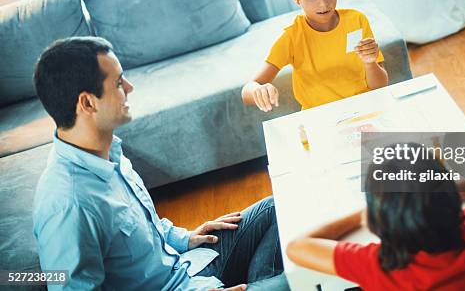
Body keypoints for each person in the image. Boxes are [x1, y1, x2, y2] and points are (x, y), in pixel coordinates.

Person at [32, 37, 289, 290]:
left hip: (187, 266)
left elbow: (140, 227)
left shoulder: (109, 151)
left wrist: (184, 237)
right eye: (119, 82)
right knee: (310, 273)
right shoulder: (67, 205)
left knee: (278, 206)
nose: (130, 87)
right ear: (88, 102)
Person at [286, 144, 465, 291]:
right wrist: (440, 189)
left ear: (377, 219)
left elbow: (297, 247)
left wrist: (367, 212)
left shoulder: (376, 264)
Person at [241, 0, 388, 112]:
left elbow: (380, 84)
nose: (323, 4)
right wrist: (258, 90)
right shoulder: (292, 37)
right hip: (320, 118)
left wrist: (370, 63)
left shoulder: (357, 21)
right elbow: (247, 90)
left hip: (365, 109)